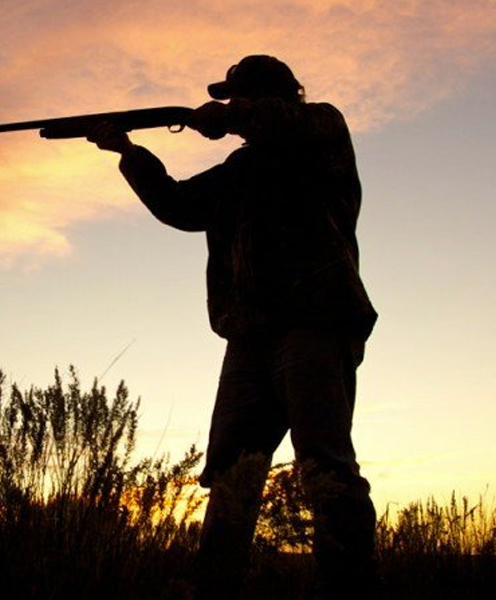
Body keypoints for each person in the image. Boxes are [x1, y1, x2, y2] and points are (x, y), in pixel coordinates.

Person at [87, 55, 378, 600]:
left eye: (235, 97)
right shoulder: (241, 170)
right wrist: (127, 152)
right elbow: (179, 206)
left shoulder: (321, 128)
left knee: (325, 464)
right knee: (230, 474)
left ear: (262, 97)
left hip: (314, 319)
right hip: (249, 335)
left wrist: (226, 116)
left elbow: (276, 123)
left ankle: (352, 587)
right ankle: (216, 588)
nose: (224, 107)